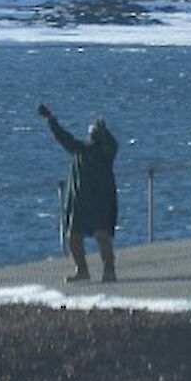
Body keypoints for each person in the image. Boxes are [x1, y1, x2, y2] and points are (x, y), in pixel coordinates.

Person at [38, 103, 118, 283]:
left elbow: (113, 145)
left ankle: (109, 270)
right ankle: (82, 271)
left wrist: (106, 131)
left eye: (94, 131)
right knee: (73, 237)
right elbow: (63, 137)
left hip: (100, 202)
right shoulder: (80, 151)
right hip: (79, 204)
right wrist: (51, 119)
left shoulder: (105, 154)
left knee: (102, 236)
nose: (91, 133)